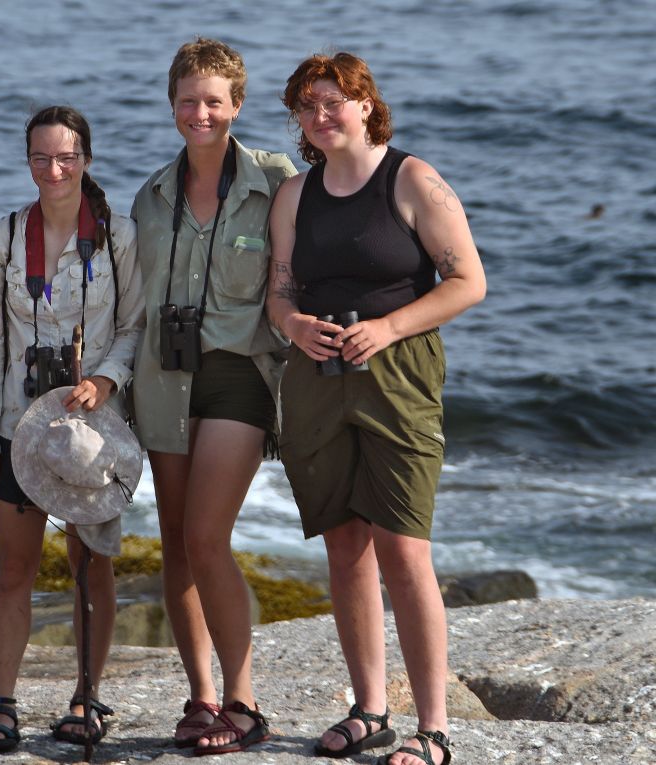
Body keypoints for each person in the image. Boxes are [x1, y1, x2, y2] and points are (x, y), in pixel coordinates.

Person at [267, 52, 486, 765]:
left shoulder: (412, 178)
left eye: (332, 101)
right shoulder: (294, 194)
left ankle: (435, 728)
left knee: (404, 547)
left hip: (399, 375)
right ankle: (370, 710)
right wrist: (295, 326)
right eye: (306, 106)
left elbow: (468, 281)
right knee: (344, 543)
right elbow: (279, 293)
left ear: (365, 105)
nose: (319, 115)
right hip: (316, 378)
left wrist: (389, 328)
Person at [130, 38, 297, 756]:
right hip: (163, 379)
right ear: (172, 104)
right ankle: (200, 696)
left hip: (239, 374)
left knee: (206, 537)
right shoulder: (150, 197)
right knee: (176, 542)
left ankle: (244, 700)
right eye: (188, 100)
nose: (200, 113)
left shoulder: (278, 182)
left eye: (214, 101)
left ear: (237, 105)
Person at [0, 105, 144, 753]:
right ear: (28, 162)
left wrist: (107, 380)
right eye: (41, 158)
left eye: (67, 157)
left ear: (86, 159)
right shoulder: (4, 238)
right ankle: (1, 704)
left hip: (94, 432)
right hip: (21, 426)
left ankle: (87, 696)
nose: (55, 169)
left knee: (90, 565)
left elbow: (134, 327)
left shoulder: (117, 237)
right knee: (14, 566)